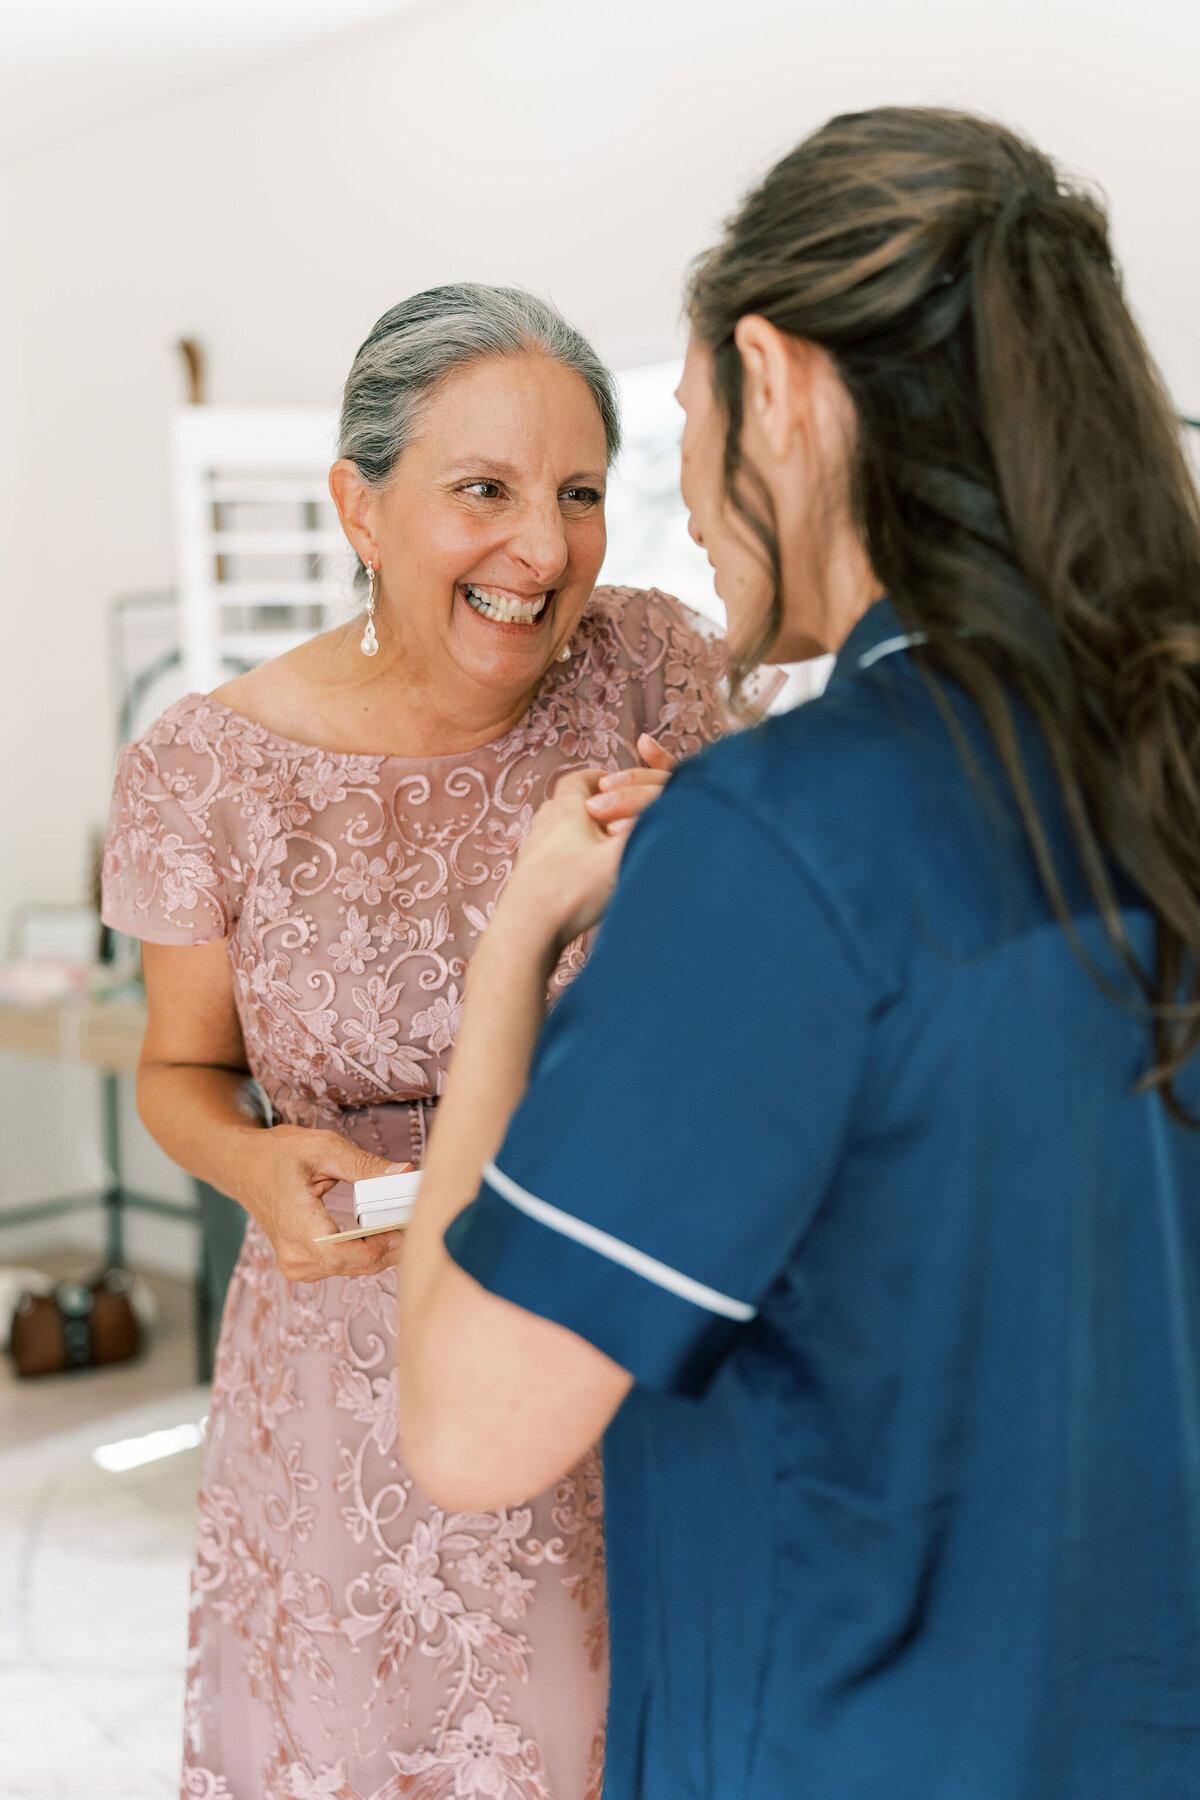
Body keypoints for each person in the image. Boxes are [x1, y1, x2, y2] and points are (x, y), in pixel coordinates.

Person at [397, 113, 1200, 1799]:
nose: (682, 512)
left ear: (779, 380)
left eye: (674, 431)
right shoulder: (1163, 757)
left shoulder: (784, 837)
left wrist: (512, 959)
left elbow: (473, 1427)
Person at [101, 283, 729, 1799]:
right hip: (347, 1358)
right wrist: (252, 1166)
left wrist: (715, 845)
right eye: (484, 491)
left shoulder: (658, 672)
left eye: (579, 492)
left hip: (602, 1321)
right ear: (358, 506)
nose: (545, 546)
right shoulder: (206, 767)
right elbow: (177, 1075)